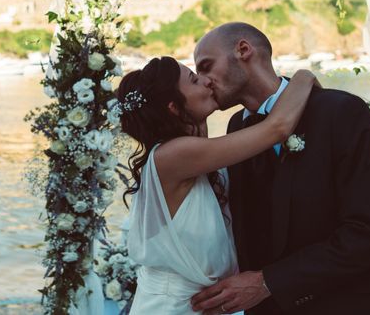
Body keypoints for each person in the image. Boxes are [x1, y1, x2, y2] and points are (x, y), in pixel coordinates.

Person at [189, 22, 370, 315]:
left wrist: (267, 283)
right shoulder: (236, 126)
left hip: (362, 303)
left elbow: (368, 233)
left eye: (207, 66)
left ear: (244, 50)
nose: (204, 80)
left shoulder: (341, 111)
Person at [117, 56, 319, 315]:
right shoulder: (173, 155)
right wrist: (303, 77)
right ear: (173, 107)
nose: (206, 81)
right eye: (193, 79)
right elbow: (276, 128)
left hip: (206, 305)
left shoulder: (200, 155)